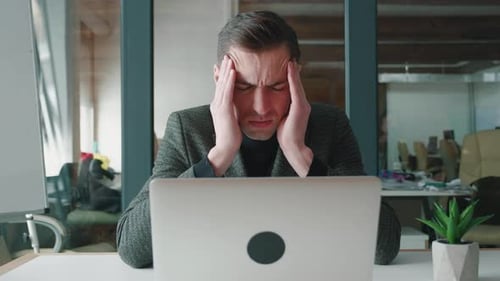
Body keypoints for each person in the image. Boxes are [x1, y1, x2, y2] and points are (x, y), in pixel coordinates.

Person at [116, 10, 364, 268]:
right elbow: (132, 248)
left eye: (277, 87)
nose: (261, 107)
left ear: (295, 79)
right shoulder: (188, 127)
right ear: (219, 79)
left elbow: (384, 245)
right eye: (244, 87)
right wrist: (217, 157)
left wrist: (301, 156)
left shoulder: (330, 125)